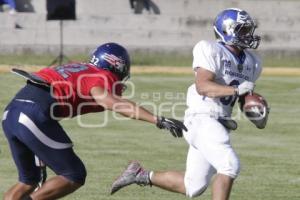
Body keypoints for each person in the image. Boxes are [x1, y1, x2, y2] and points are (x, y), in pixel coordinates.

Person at [1, 42, 187, 200]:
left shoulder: (79, 68)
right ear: (117, 65)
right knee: (73, 174)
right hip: (33, 115)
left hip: (12, 113)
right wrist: (157, 119)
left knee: (28, 181)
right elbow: (111, 102)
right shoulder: (101, 75)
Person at [110, 8, 262, 200]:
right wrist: (236, 90)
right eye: (242, 30)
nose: (248, 34)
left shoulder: (253, 62)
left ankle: (139, 174)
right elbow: (203, 86)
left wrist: (255, 110)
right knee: (229, 165)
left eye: (248, 29)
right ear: (227, 30)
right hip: (202, 118)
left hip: (219, 122)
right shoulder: (211, 49)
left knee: (193, 186)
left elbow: (241, 97)